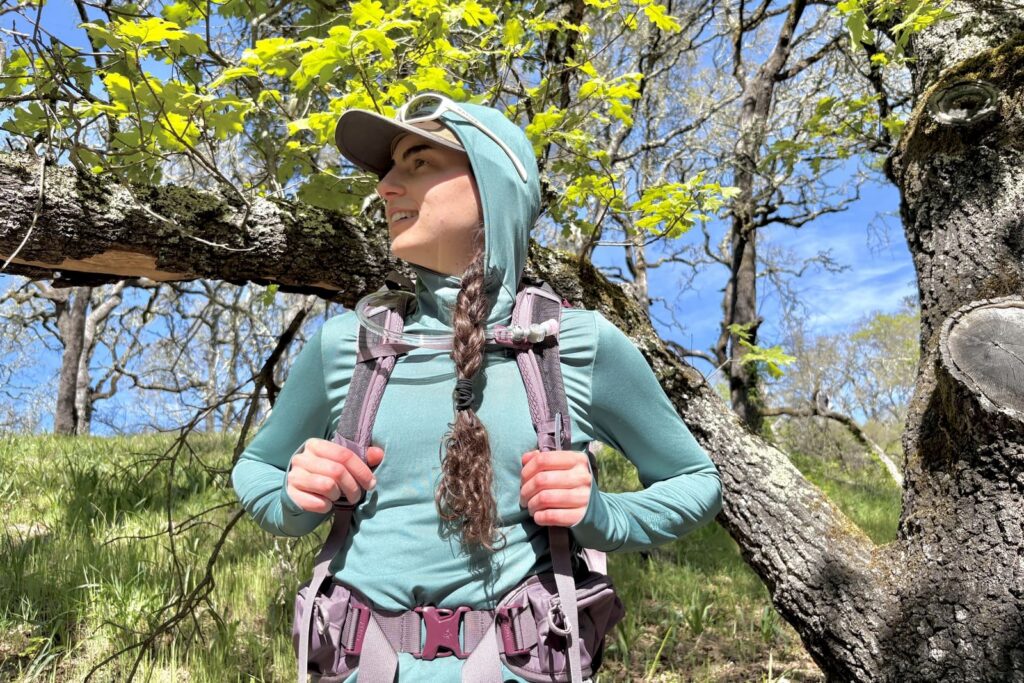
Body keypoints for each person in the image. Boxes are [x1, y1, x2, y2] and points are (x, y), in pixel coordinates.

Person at [231, 92, 724, 682]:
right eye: (387, 172)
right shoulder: (349, 345)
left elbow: (695, 481)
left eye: (418, 163)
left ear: (494, 185)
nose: (386, 187)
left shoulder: (573, 344)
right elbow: (254, 468)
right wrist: (292, 497)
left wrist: (603, 516)